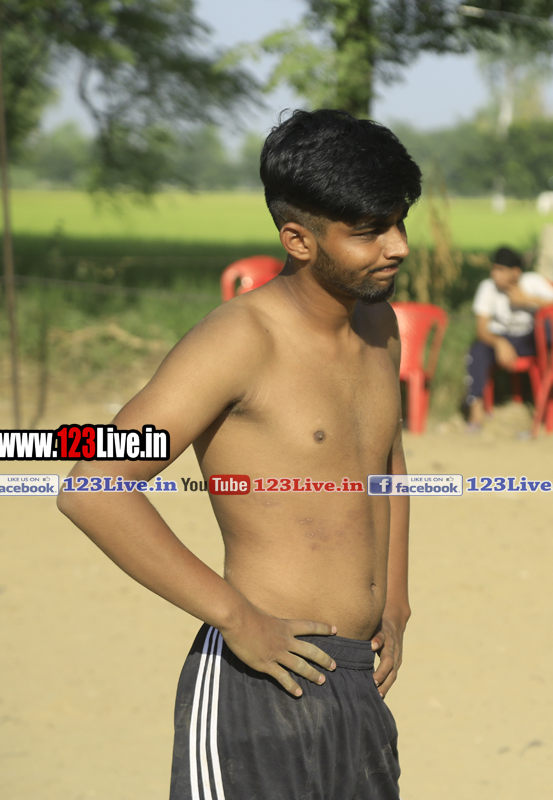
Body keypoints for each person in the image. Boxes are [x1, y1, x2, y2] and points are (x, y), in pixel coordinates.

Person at [57, 109, 418, 800]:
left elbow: (386, 461)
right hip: (258, 683)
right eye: (370, 231)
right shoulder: (238, 340)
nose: (397, 246)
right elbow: (94, 485)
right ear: (299, 239)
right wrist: (238, 619)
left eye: (400, 223)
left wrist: (396, 602)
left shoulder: (379, 323)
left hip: (357, 679)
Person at [464, 246, 553, 428]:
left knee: (548, 327)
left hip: (528, 338)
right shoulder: (487, 287)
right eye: (493, 269)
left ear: (516, 272)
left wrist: (528, 300)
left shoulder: (532, 282)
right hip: (499, 337)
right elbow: (481, 330)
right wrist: (499, 342)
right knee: (476, 351)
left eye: (500, 270)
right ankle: (476, 409)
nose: (494, 274)